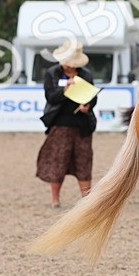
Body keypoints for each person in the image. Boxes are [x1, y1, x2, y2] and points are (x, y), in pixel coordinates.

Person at [37, 40, 98, 208]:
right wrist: (65, 90)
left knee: (84, 160)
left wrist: (87, 106)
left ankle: (86, 199)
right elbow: (50, 96)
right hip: (60, 123)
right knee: (58, 160)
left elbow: (93, 97)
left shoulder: (85, 74)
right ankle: (55, 199)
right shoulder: (52, 73)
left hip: (82, 124)